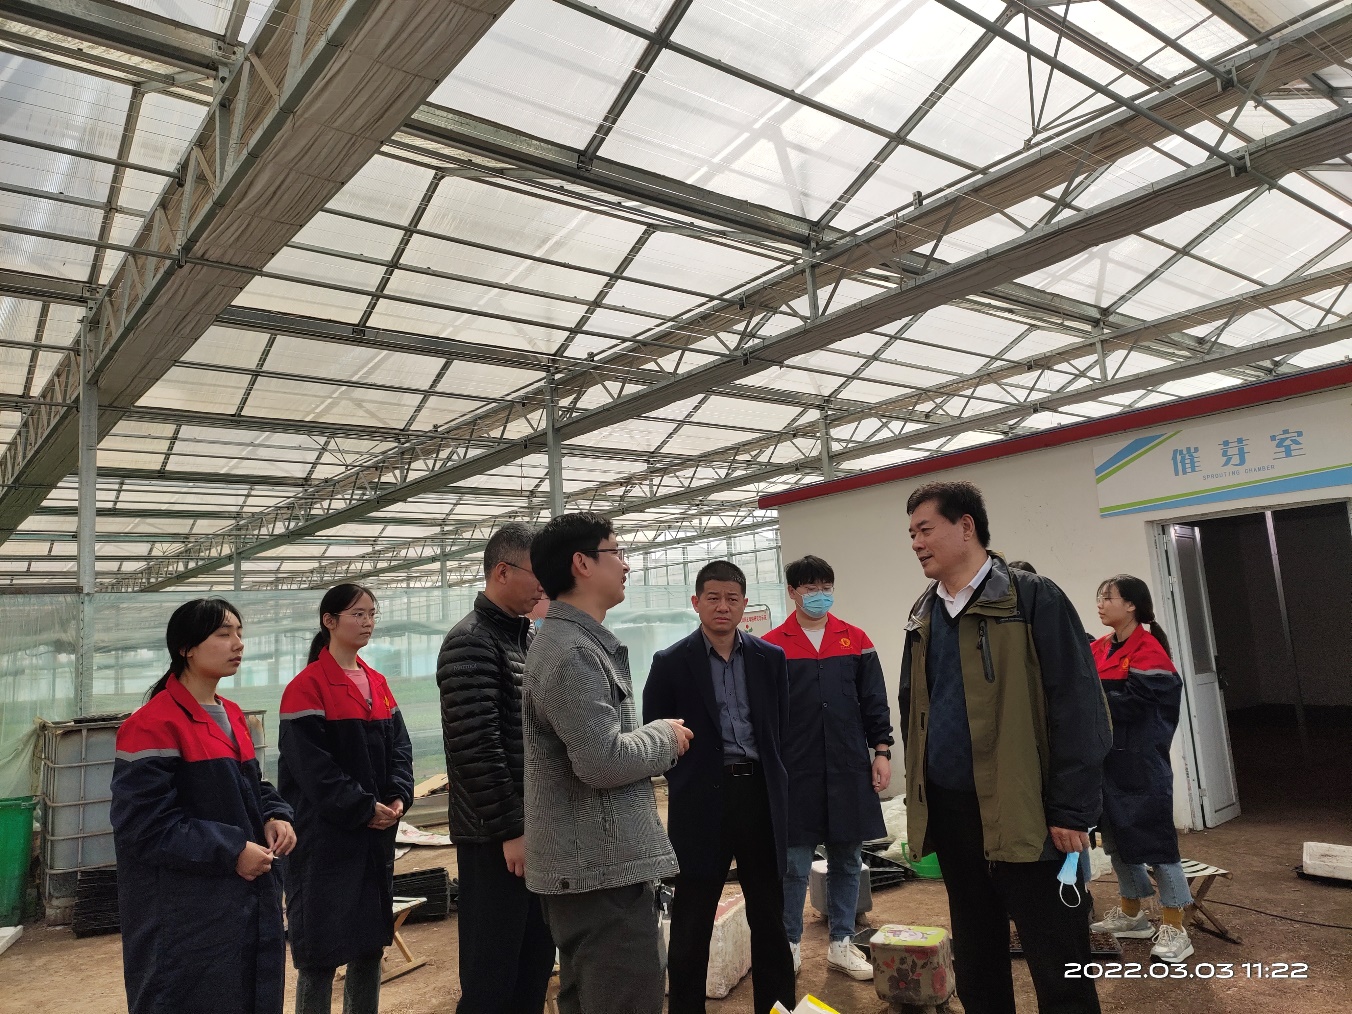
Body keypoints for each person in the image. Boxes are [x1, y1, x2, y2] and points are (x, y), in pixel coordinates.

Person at [900, 480, 1111, 1014]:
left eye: (925, 529)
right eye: (911, 534)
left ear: (966, 526)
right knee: (977, 956)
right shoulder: (923, 614)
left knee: (1058, 956)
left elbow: (1079, 706)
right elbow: (914, 708)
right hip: (953, 811)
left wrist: (1072, 808)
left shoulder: (1032, 598)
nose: (916, 543)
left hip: (1028, 811)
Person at [523, 512, 693, 1014]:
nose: (626, 564)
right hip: (602, 872)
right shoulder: (572, 653)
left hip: (594, 869)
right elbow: (601, 760)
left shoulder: (574, 643)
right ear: (582, 564)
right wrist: (664, 736)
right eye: (616, 552)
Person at [111, 598, 296, 1014]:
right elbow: (145, 825)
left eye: (240, 634)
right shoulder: (151, 725)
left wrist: (275, 815)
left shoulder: (232, 715)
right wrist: (232, 850)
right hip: (187, 916)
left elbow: (250, 786)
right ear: (186, 648)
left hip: (245, 904)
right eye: (223, 634)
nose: (238, 644)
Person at [644, 560, 797, 1014]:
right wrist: (686, 781)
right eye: (713, 597)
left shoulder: (770, 659)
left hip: (759, 797)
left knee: (769, 916)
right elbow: (657, 735)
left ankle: (777, 1008)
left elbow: (780, 728)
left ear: (745, 604)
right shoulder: (671, 663)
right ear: (696, 602)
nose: (723, 606)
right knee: (692, 920)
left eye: (732, 598)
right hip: (701, 803)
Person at [278, 584, 415, 1014]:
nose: (368, 622)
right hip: (324, 841)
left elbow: (400, 748)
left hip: (374, 837)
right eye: (358, 614)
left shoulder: (378, 683)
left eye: (372, 613)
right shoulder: (306, 688)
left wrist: (398, 796)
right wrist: (361, 807)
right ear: (329, 621)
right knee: (319, 954)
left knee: (369, 945)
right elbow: (313, 769)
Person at [437, 523, 555, 1012]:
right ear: (502, 571)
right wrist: (512, 829)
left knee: (532, 965)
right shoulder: (471, 642)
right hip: (494, 838)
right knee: (492, 974)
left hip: (530, 829)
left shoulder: (523, 638)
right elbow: (476, 748)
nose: (543, 586)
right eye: (537, 574)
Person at [762, 554, 893, 981]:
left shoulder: (855, 639)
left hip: (847, 765)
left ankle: (841, 943)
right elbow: (762, 714)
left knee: (847, 858)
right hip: (794, 770)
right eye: (810, 588)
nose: (819, 595)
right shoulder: (771, 645)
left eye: (825, 587)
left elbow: (874, 700)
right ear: (792, 592)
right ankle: (789, 945)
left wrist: (882, 751)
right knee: (793, 864)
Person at [1088, 575, 1194, 963]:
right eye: (1099, 597)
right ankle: (1133, 914)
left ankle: (1175, 926)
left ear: (1131, 605)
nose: (1100, 603)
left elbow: (1130, 704)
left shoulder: (1150, 652)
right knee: (1116, 838)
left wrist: (1092, 699)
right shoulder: (1099, 648)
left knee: (1156, 843)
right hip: (1107, 762)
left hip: (1141, 764)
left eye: (1108, 597)